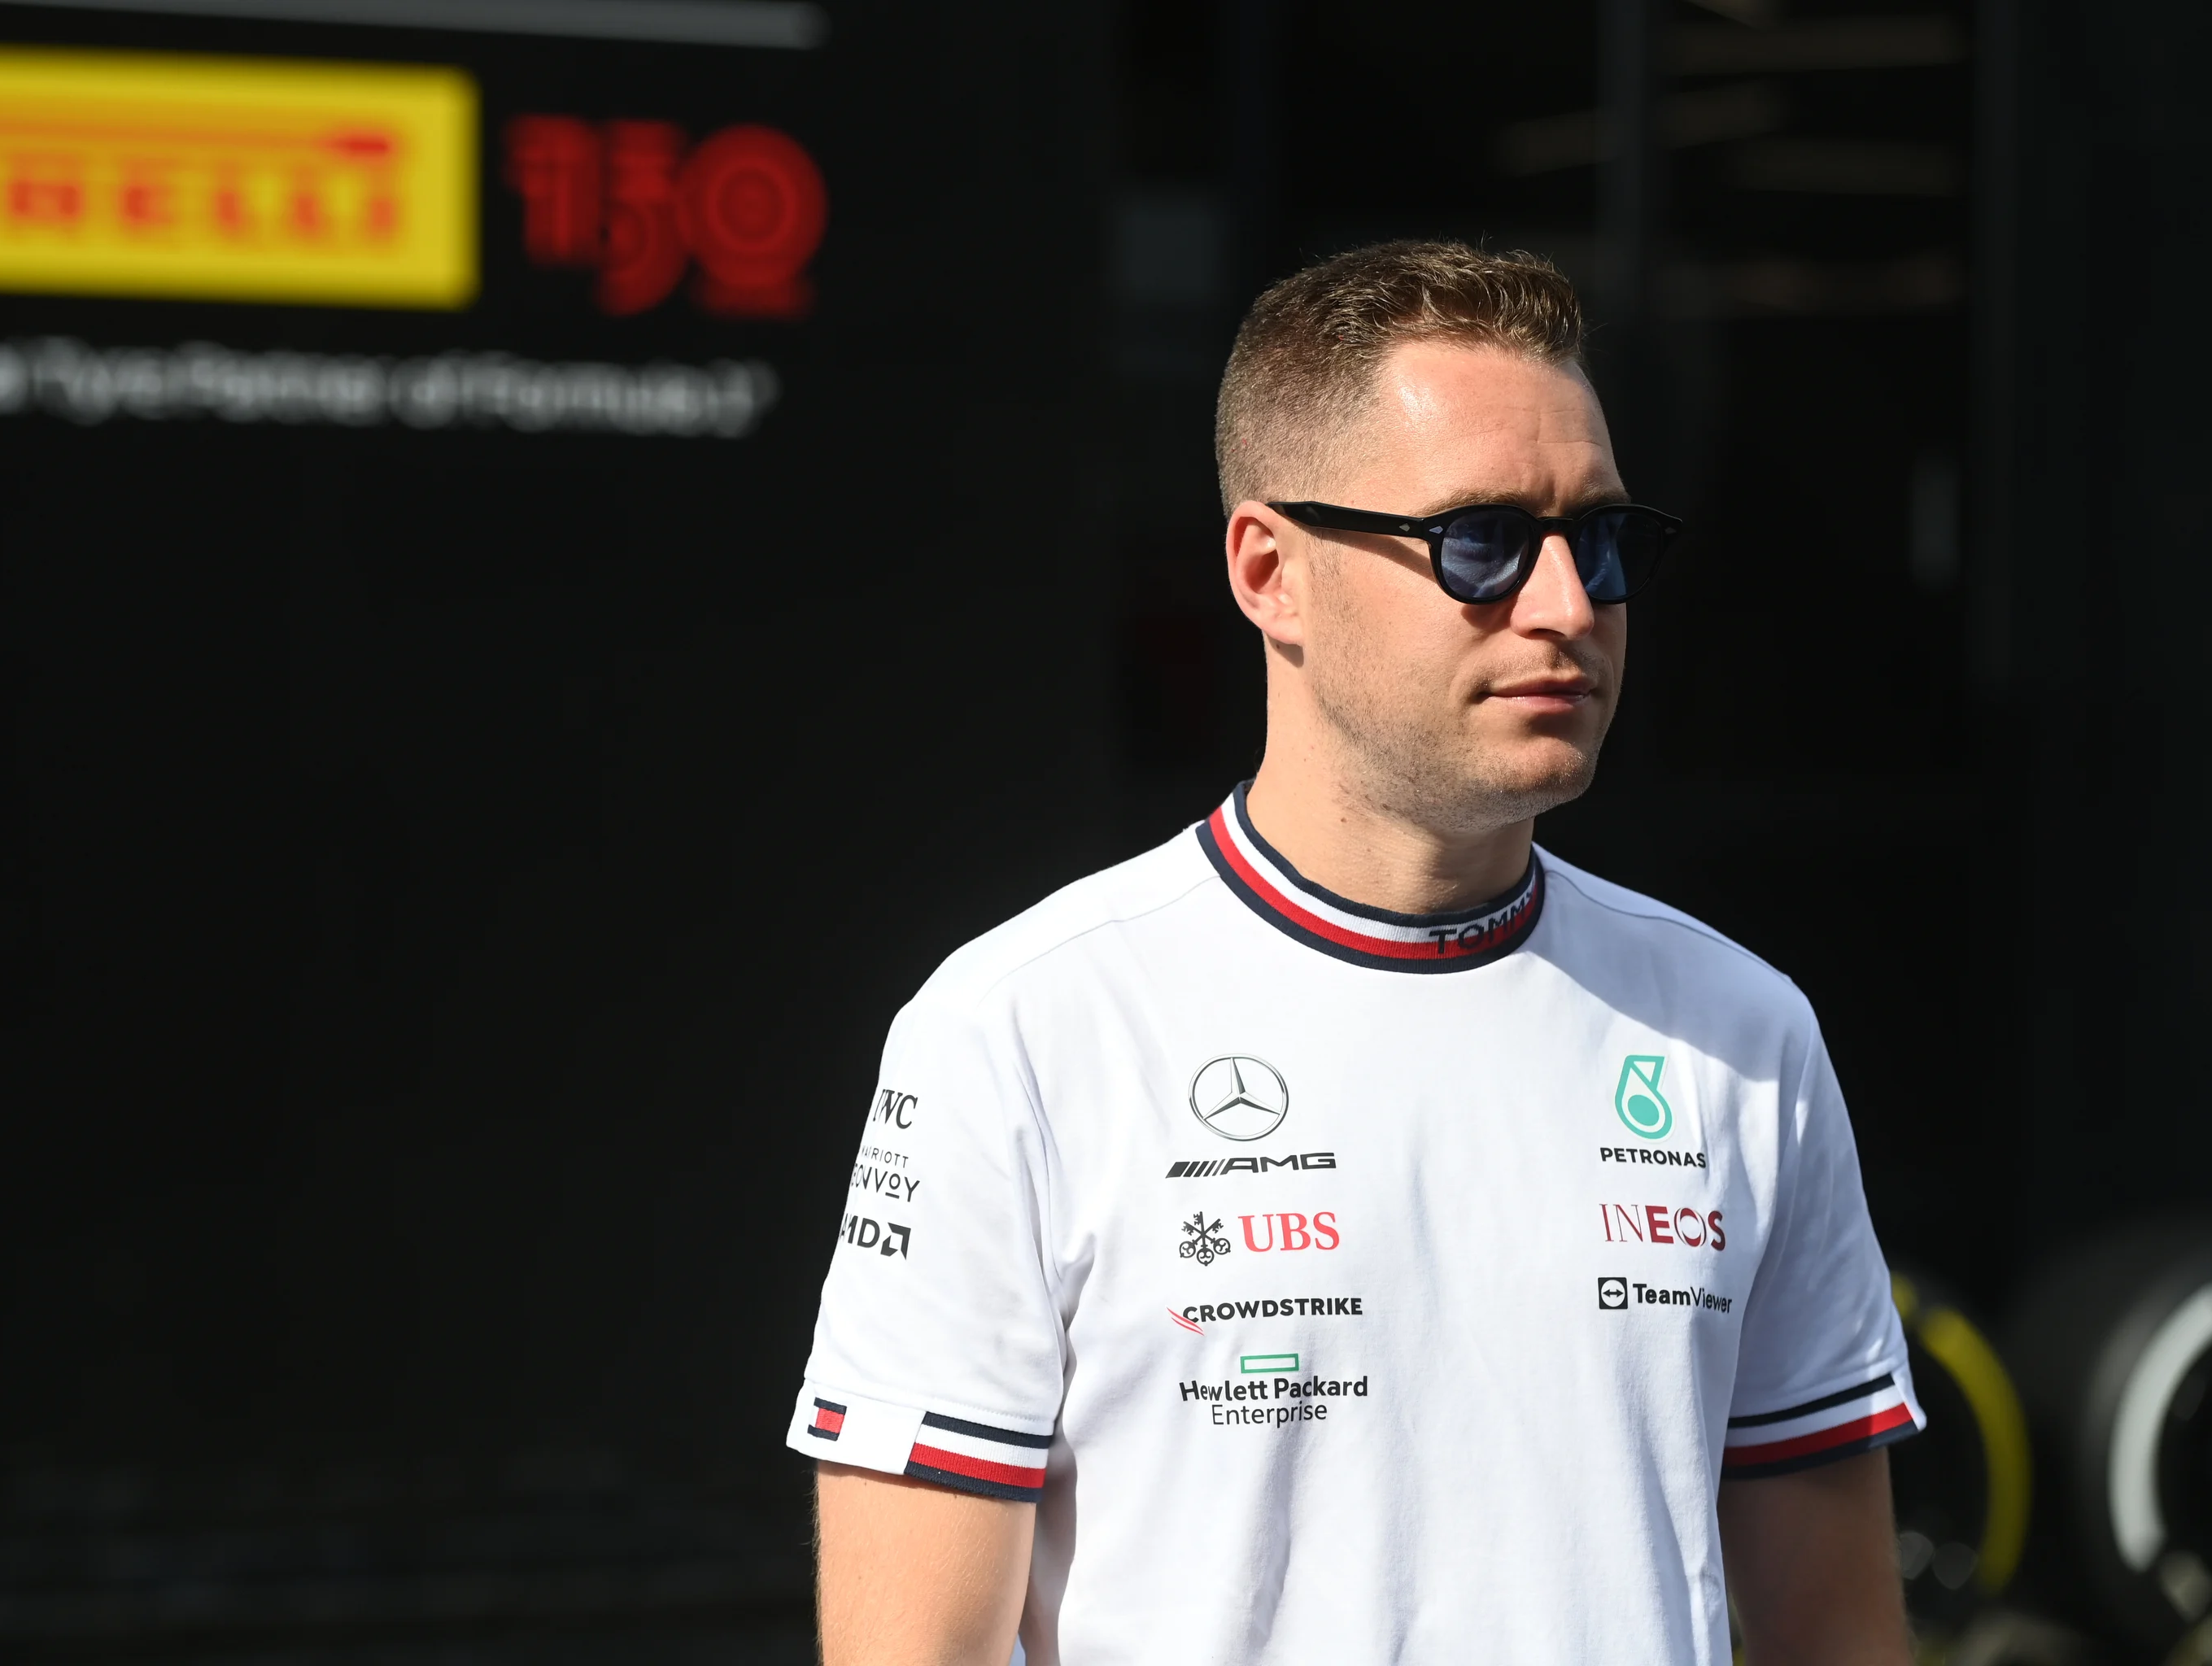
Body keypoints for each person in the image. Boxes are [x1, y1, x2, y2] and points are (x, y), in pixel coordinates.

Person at [789, 241, 1921, 1666]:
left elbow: (1841, 1638)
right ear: (1273, 574)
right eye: (1482, 541)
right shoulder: (1020, 1030)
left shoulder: (1742, 1031)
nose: (1568, 607)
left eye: (1604, 541)